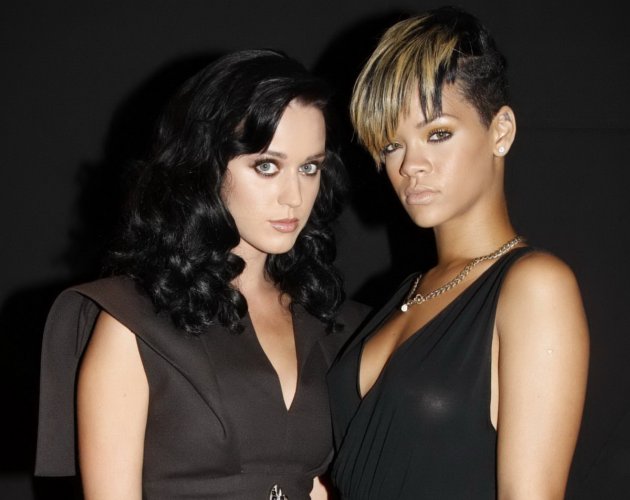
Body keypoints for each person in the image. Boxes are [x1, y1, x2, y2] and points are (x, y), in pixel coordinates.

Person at [35, 49, 368, 500]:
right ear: (206, 166)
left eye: (309, 168)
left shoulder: (334, 324)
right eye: (266, 166)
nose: (294, 196)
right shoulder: (132, 321)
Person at [328, 6, 589, 499]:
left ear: (500, 131)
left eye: (438, 134)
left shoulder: (535, 286)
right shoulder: (408, 291)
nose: (411, 165)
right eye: (392, 145)